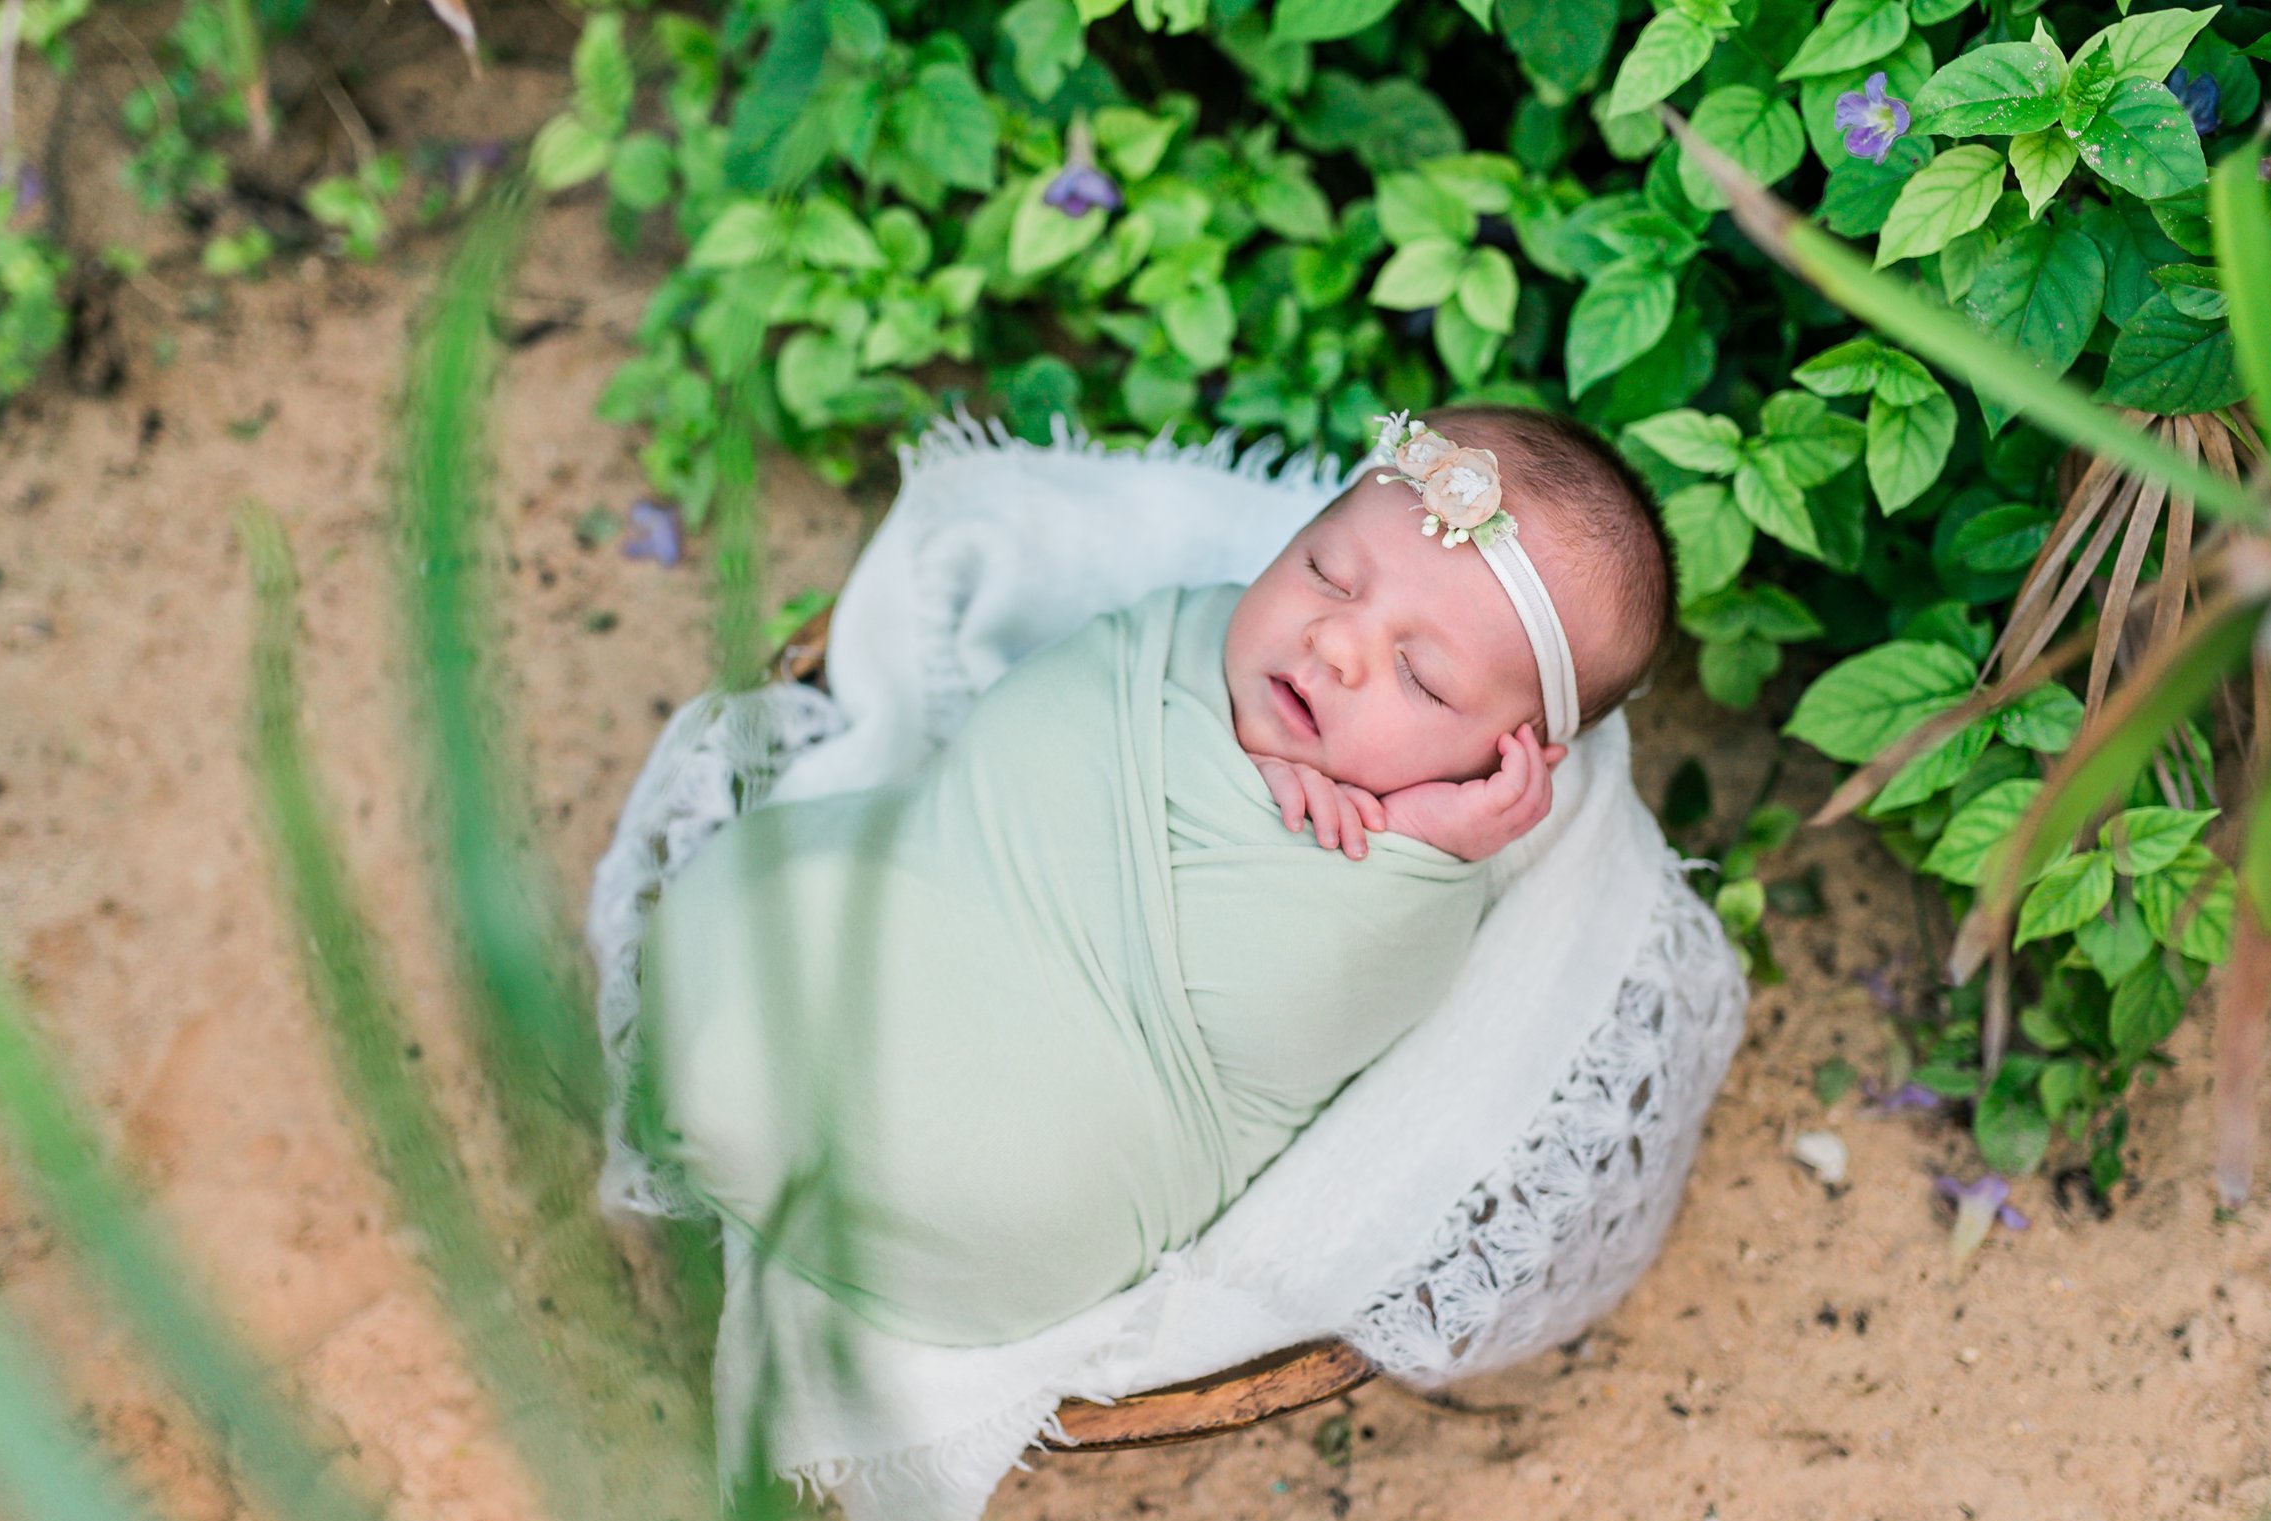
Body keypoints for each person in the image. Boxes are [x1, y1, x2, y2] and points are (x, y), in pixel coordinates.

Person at [635, 406, 1672, 1348]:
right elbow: (1029, 730)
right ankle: (747, 1082)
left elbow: (1296, 1020)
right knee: (795, 921)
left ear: (1505, 762)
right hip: (937, 898)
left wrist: (1422, 848)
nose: (1336, 642)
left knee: (1005, 1163)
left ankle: (787, 1123)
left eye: (1421, 676)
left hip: (1029, 1162)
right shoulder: (1178, 641)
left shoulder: (1409, 886)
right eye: (1327, 571)